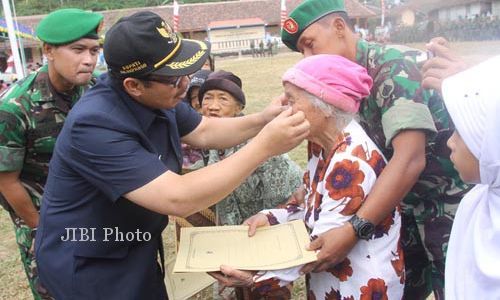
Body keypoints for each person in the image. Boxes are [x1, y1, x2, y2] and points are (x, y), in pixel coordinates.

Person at [34, 11, 309, 299]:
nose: (185, 84)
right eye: (175, 78)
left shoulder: (159, 93)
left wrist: (262, 119)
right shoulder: (94, 124)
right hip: (90, 264)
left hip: (133, 246)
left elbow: (203, 131)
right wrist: (265, 145)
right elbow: (177, 197)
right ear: (134, 86)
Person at [278, 1, 471, 299]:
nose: (307, 57)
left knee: (459, 290)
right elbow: (342, 148)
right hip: (396, 207)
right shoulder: (332, 83)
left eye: (310, 45)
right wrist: (308, 191)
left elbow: (409, 159)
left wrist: (355, 229)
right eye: (301, 52)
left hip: (446, 207)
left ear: (340, 28)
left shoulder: (392, 66)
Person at [212, 54, 404, 300]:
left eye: (291, 101)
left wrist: (254, 279)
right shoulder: (320, 145)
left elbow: (319, 249)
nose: (285, 111)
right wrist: (269, 217)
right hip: (333, 283)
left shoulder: (351, 161)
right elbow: (308, 204)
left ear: (324, 105)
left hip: (359, 286)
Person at [0, 8, 103, 300]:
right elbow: (7, 182)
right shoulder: (15, 108)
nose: (89, 59)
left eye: (94, 50)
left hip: (93, 217)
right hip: (44, 222)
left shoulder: (95, 89)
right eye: (78, 50)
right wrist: (42, 230)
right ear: (49, 51)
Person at [199, 70, 303, 226]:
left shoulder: (261, 141)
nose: (213, 107)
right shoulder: (211, 144)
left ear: (238, 108)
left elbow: (280, 199)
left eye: (223, 99)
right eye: (207, 98)